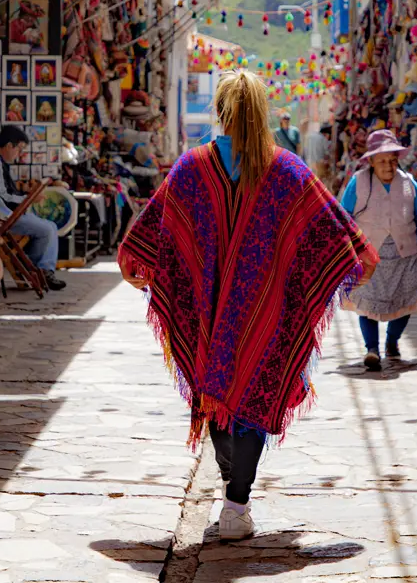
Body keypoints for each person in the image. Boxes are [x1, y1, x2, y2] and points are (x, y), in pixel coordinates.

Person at [119, 71, 377, 541]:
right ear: (262, 113)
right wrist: (355, 262)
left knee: (213, 390)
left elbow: (153, 227)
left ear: (219, 111)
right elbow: (338, 235)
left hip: (207, 312)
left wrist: (133, 260)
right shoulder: (288, 170)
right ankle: (237, 503)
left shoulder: (192, 167)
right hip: (268, 314)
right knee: (253, 394)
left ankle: (231, 496)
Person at [339, 129, 417, 371]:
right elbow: (344, 216)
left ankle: (392, 341)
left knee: (404, 300)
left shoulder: (408, 181)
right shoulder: (358, 182)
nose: (389, 166)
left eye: (393, 160)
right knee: (367, 302)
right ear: (370, 161)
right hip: (369, 254)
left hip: (405, 253)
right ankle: (372, 349)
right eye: (382, 161)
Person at [0, 126, 66, 291]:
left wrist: (26, 195)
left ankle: (33, 268)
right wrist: (28, 199)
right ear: (9, 145)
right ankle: (41, 270)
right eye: (19, 149)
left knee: (50, 227)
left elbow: (5, 193)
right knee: (47, 229)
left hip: (6, 215)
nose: (19, 154)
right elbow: (4, 196)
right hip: (2, 219)